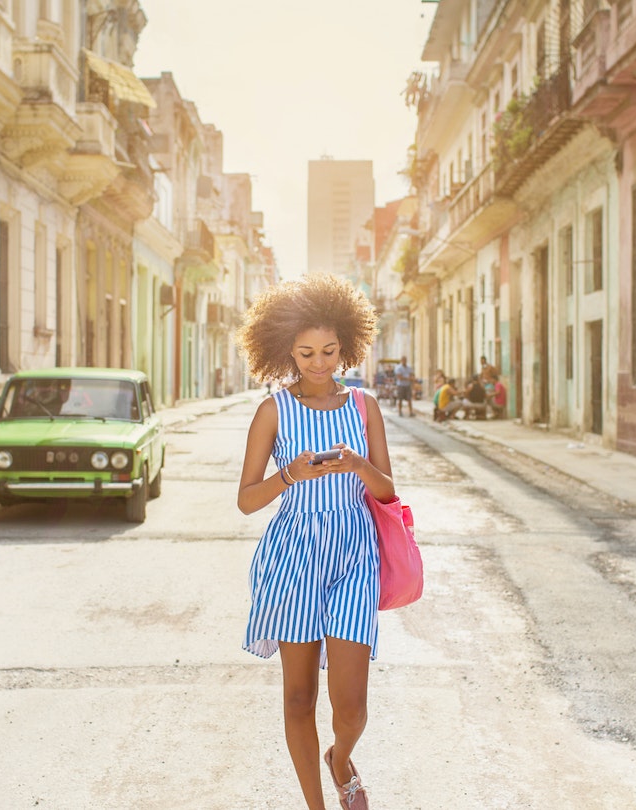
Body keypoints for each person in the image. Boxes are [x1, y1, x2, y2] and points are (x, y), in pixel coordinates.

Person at [234, 273, 395, 810]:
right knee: (299, 697)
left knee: (351, 707)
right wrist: (291, 475)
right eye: (306, 353)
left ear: (346, 345)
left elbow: (388, 489)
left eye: (329, 350)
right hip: (293, 554)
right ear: (287, 352)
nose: (320, 363)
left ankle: (341, 757)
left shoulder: (364, 406)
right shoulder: (273, 411)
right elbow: (247, 500)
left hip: (354, 553)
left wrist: (356, 464)